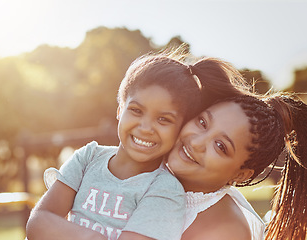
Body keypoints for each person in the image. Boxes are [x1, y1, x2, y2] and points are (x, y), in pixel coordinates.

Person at [26, 49, 248, 240]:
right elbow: (37, 223)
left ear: (179, 129)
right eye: (136, 111)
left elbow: (48, 225)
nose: (145, 128)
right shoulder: (88, 157)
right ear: (119, 110)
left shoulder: (166, 190)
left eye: (164, 119)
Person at [167, 93, 307, 240]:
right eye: (203, 123)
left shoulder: (223, 231)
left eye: (220, 146)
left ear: (240, 175)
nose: (196, 142)